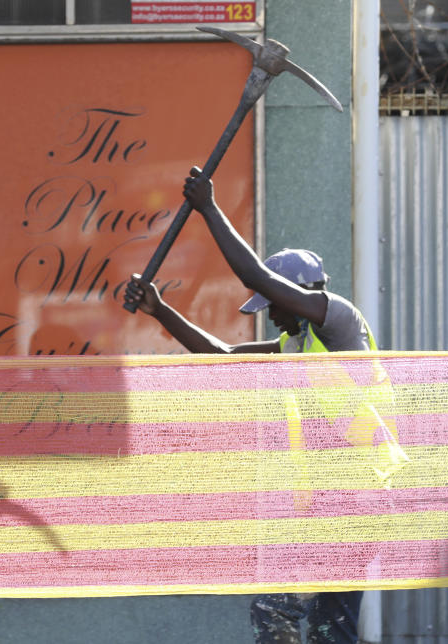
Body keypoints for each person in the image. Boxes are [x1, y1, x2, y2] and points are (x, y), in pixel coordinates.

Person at [124, 167, 373, 644]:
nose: (271, 314)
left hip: (356, 505)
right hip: (333, 505)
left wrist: (209, 207)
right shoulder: (296, 344)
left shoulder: (338, 322)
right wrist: (161, 311)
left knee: (276, 609)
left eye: (274, 303)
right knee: (329, 630)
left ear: (303, 296)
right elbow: (221, 357)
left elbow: (252, 274)